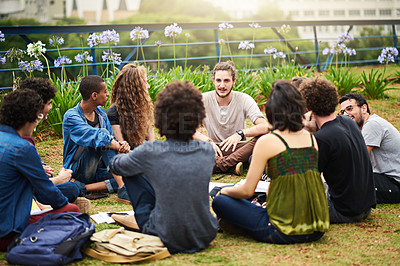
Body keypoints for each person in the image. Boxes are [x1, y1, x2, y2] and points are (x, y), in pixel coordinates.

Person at [212, 80, 329, 244]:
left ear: (271, 111)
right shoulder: (311, 138)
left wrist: (224, 191)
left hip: (283, 229)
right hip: (317, 227)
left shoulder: (268, 141)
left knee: (221, 201)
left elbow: (246, 190)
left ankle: (235, 224)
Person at [108, 81, 218, 254]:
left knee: (131, 171)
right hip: (205, 233)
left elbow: (116, 166)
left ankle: (147, 219)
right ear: (197, 118)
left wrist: (124, 153)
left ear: (160, 117)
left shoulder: (150, 152)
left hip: (164, 233)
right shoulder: (207, 151)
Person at [0, 89, 80, 251]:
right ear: (30, 118)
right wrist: (63, 205)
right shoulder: (22, 147)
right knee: (72, 210)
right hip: (7, 232)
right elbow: (49, 192)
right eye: (38, 117)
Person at [299, 78, 376, 224]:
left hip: (344, 211)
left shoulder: (322, 138)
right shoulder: (347, 122)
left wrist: (306, 134)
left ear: (308, 108)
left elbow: (304, 180)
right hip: (365, 207)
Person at [193, 61, 269, 175]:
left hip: (239, 149)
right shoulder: (203, 100)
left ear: (234, 81)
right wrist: (207, 141)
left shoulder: (244, 99)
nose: (222, 85)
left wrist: (241, 134)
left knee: (265, 136)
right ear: (213, 80)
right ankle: (233, 166)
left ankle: (220, 166)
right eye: (218, 80)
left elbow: (265, 126)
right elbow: (184, 129)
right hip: (215, 149)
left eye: (226, 81)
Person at [62, 75, 130, 202]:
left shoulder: (102, 115)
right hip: (80, 170)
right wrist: (113, 143)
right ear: (94, 95)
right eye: (105, 92)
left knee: (131, 176)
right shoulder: (71, 117)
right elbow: (94, 136)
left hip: (99, 170)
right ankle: (122, 188)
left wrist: (121, 145)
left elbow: (111, 141)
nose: (108, 94)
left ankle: (84, 188)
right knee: (102, 135)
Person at [18, 78, 81, 204]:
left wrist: (39, 168)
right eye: (49, 103)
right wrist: (59, 179)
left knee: (51, 176)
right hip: (22, 197)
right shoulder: (23, 141)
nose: (51, 107)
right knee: (71, 189)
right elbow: (29, 185)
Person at [339, 93, 400, 204]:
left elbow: (358, 160)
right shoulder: (362, 128)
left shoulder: (372, 124)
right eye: (342, 112)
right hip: (383, 178)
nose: (346, 114)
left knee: (347, 181)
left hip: (395, 183)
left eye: (349, 109)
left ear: (363, 108)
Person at [107, 64, 155, 148]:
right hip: (128, 158)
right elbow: (121, 149)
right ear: (135, 87)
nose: (148, 86)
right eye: (145, 82)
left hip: (146, 156)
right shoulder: (114, 112)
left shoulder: (146, 108)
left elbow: (152, 144)